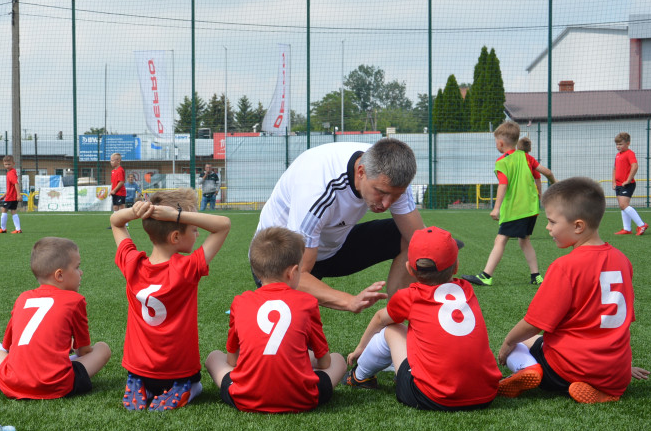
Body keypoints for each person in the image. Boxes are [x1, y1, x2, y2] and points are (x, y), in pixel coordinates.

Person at [495, 177, 649, 404]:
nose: (547, 228)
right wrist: (622, 368)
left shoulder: (565, 266)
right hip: (615, 374)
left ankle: (527, 369)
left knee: (520, 343)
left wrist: (507, 343)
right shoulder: (623, 261)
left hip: (562, 373)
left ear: (578, 226)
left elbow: (534, 323)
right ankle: (605, 391)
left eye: (552, 222)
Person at [254, 138, 424, 312]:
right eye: (380, 192)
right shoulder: (318, 190)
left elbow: (421, 241)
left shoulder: (392, 174)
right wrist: (349, 301)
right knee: (295, 325)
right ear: (360, 172)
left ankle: (398, 313)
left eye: (396, 196)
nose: (387, 204)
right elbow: (297, 275)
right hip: (282, 260)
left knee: (413, 242)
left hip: (332, 245)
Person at [345, 226, 501, 411]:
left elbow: (380, 318)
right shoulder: (467, 289)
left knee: (393, 329)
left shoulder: (409, 296)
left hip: (431, 397)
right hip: (486, 395)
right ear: (456, 266)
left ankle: (360, 376)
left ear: (409, 269)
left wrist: (361, 347)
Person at [111, 189, 231, 411]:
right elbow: (223, 224)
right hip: (179, 370)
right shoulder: (187, 269)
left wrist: (135, 211)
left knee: (139, 373)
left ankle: (139, 384)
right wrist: (177, 215)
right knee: (194, 382)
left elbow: (116, 222)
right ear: (176, 237)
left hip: (139, 368)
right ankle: (187, 387)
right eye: (194, 230)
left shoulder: (132, 264)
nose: (197, 234)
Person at [205, 227, 345, 413]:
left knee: (214, 357)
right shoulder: (308, 302)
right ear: (293, 272)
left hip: (244, 398)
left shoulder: (240, 302)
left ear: (256, 270)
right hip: (303, 399)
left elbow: (232, 360)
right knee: (338, 360)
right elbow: (325, 363)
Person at [0, 237, 112, 399]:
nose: (81, 272)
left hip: (12, 383)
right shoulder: (75, 300)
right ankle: (53, 369)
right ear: (59, 275)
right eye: (77, 267)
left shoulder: (23, 298)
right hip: (57, 385)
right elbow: (84, 351)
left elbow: (8, 346)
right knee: (102, 348)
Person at [462, 121, 544, 287]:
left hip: (515, 210)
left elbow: (503, 184)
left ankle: (486, 276)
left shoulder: (502, 162)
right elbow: (546, 172)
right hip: (530, 209)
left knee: (500, 240)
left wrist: (497, 207)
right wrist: (553, 182)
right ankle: (536, 276)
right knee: (524, 241)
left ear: (500, 143)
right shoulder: (525, 156)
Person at [612, 132, 647, 236]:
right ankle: (627, 229)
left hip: (627, 184)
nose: (618, 147)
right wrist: (613, 181)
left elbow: (635, 166)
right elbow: (615, 169)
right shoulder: (618, 155)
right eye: (617, 144)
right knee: (622, 206)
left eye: (620, 144)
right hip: (618, 184)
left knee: (624, 205)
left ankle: (641, 224)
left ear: (628, 143)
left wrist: (628, 180)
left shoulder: (630, 153)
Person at [0, 155, 22, 234]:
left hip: (11, 197)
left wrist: (19, 195)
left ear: (13, 163)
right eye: (6, 164)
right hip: (11, 196)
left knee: (4, 210)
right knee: (13, 211)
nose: (7, 166)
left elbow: (16, 184)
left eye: (9, 164)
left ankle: (3, 229)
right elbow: (10, 188)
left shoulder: (11, 173)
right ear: (3, 164)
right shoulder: (11, 172)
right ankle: (18, 229)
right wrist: (3, 196)